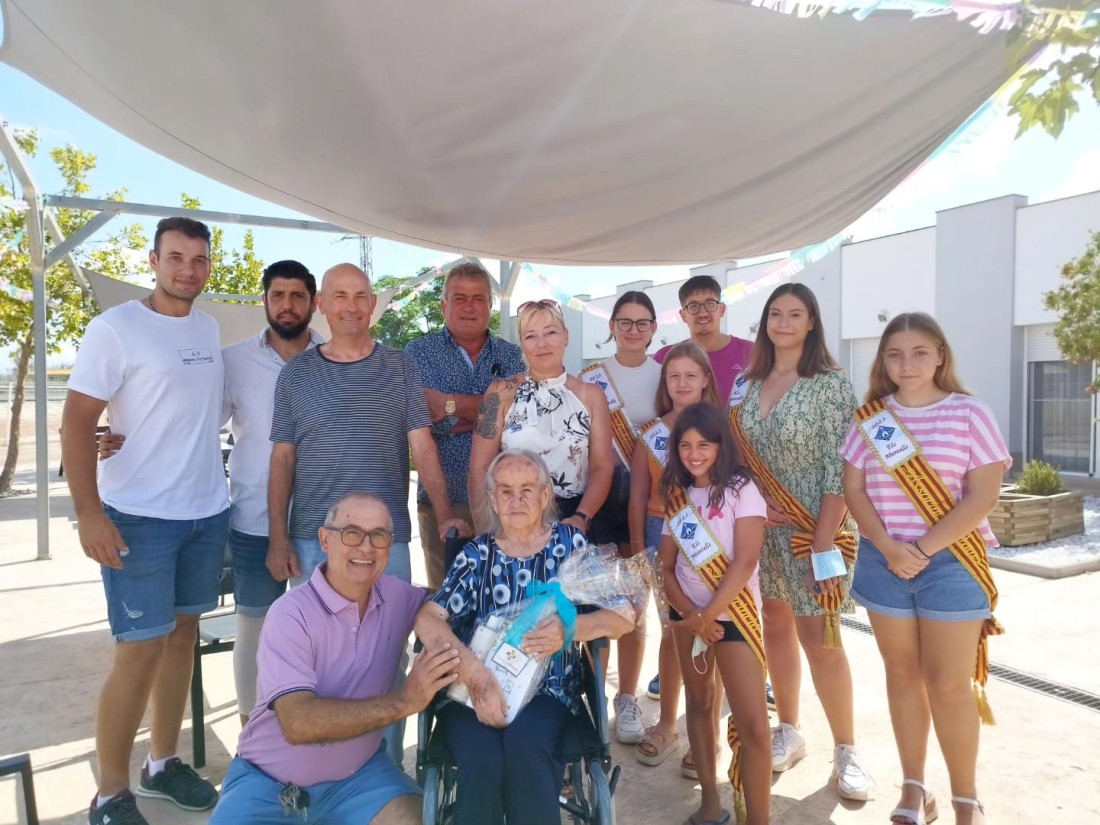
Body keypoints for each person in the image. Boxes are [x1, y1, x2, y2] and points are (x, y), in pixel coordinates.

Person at [98, 259, 325, 727]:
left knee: (319, 633)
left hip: (321, 524)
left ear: (313, 303)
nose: (287, 305)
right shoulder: (233, 360)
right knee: (255, 629)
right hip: (253, 519)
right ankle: (252, 736)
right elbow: (190, 417)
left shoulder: (334, 358)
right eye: (278, 295)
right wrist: (116, 434)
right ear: (264, 300)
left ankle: (312, 735)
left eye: (297, 296)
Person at [61, 217, 230, 825]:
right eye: (176, 257)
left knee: (182, 639)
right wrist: (89, 514)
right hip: (138, 517)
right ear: (154, 261)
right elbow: (77, 421)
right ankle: (110, 793)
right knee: (137, 651)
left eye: (199, 259)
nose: (188, 269)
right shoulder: (115, 328)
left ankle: (162, 764)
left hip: (205, 512)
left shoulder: (209, 327)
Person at [267, 262, 470, 763]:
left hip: (385, 541)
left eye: (361, 296)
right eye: (339, 296)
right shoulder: (296, 375)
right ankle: (321, 766)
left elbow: (422, 447)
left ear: (374, 304)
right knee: (318, 658)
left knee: (388, 658)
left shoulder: (400, 367)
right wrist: (277, 537)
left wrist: (446, 512)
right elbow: (283, 458)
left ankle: (383, 767)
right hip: (315, 538)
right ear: (322, 305)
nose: (351, 306)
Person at [842, 313, 1009, 825]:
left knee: (948, 684)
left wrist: (920, 548)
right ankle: (914, 787)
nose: (906, 364)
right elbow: (854, 490)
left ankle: (965, 800)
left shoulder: (970, 413)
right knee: (901, 676)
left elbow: (983, 496)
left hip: (952, 563)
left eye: (919, 352)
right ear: (883, 361)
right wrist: (890, 548)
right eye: (894, 354)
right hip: (884, 560)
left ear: (940, 354)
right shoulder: (870, 418)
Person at [209, 493, 460, 825]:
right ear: (325, 540)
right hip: (270, 784)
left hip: (362, 778)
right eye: (352, 533)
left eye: (379, 535)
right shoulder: (290, 614)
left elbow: (455, 601)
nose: (366, 547)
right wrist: (405, 702)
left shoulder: (398, 597)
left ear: (390, 546)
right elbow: (298, 722)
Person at [415, 450, 634, 825]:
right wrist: (476, 677)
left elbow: (624, 616)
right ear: (493, 498)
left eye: (527, 490)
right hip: (474, 687)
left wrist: (571, 630)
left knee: (527, 747)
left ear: (546, 495)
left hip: (547, 692)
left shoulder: (570, 546)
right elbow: (427, 618)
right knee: (480, 756)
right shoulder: (476, 556)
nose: (516, 500)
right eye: (505, 491)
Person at [728, 283, 871, 801]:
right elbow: (736, 456)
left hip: (819, 528)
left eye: (795, 314)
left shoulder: (832, 385)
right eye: (775, 313)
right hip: (764, 530)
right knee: (775, 624)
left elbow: (842, 467)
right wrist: (753, 505)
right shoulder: (745, 383)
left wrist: (822, 540)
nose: (783, 323)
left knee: (821, 637)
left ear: (812, 323)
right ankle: (788, 728)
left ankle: (847, 749)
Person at [658, 403, 770, 825]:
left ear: (722, 445)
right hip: (687, 617)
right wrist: (692, 615)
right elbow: (666, 567)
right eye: (685, 445)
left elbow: (745, 561)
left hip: (733, 616)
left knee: (753, 724)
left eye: (704, 444)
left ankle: (758, 818)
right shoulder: (677, 496)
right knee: (699, 702)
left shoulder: (744, 489)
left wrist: (710, 615)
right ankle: (709, 800)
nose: (694, 453)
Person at [630, 342, 723, 779]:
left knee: (711, 629)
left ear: (706, 379)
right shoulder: (651, 432)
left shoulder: (723, 427)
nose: (682, 383)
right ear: (664, 383)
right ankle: (668, 723)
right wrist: (637, 546)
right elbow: (638, 496)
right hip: (659, 534)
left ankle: (710, 735)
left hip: (714, 537)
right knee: (673, 629)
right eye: (674, 376)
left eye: (690, 375)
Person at [405, 262, 525, 588]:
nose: (469, 307)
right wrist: (492, 412)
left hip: (508, 502)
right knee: (445, 596)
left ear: (490, 306)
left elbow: (518, 419)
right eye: (460, 298)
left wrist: (448, 405)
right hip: (441, 503)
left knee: (505, 594)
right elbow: (419, 422)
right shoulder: (416, 355)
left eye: (478, 299)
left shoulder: (514, 356)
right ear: (443, 305)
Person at [578, 290, 662, 744]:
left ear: (653, 328)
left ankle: (626, 696)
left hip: (649, 501)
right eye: (624, 322)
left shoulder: (666, 376)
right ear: (611, 326)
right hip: (601, 501)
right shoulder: (591, 378)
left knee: (635, 601)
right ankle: (594, 696)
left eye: (642, 322)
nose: (633, 330)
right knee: (597, 604)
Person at [467, 299, 613, 535]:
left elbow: (602, 466)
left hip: (573, 520)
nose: (542, 343)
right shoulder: (501, 393)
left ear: (566, 336)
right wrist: (485, 534)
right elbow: (480, 467)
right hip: (512, 518)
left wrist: (581, 517)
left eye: (550, 332)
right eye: (531, 336)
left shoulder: (591, 396)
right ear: (521, 343)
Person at [654, 275, 754, 402]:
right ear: (683, 315)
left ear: (721, 309)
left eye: (710, 304)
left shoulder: (752, 353)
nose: (702, 313)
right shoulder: (664, 358)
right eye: (693, 306)